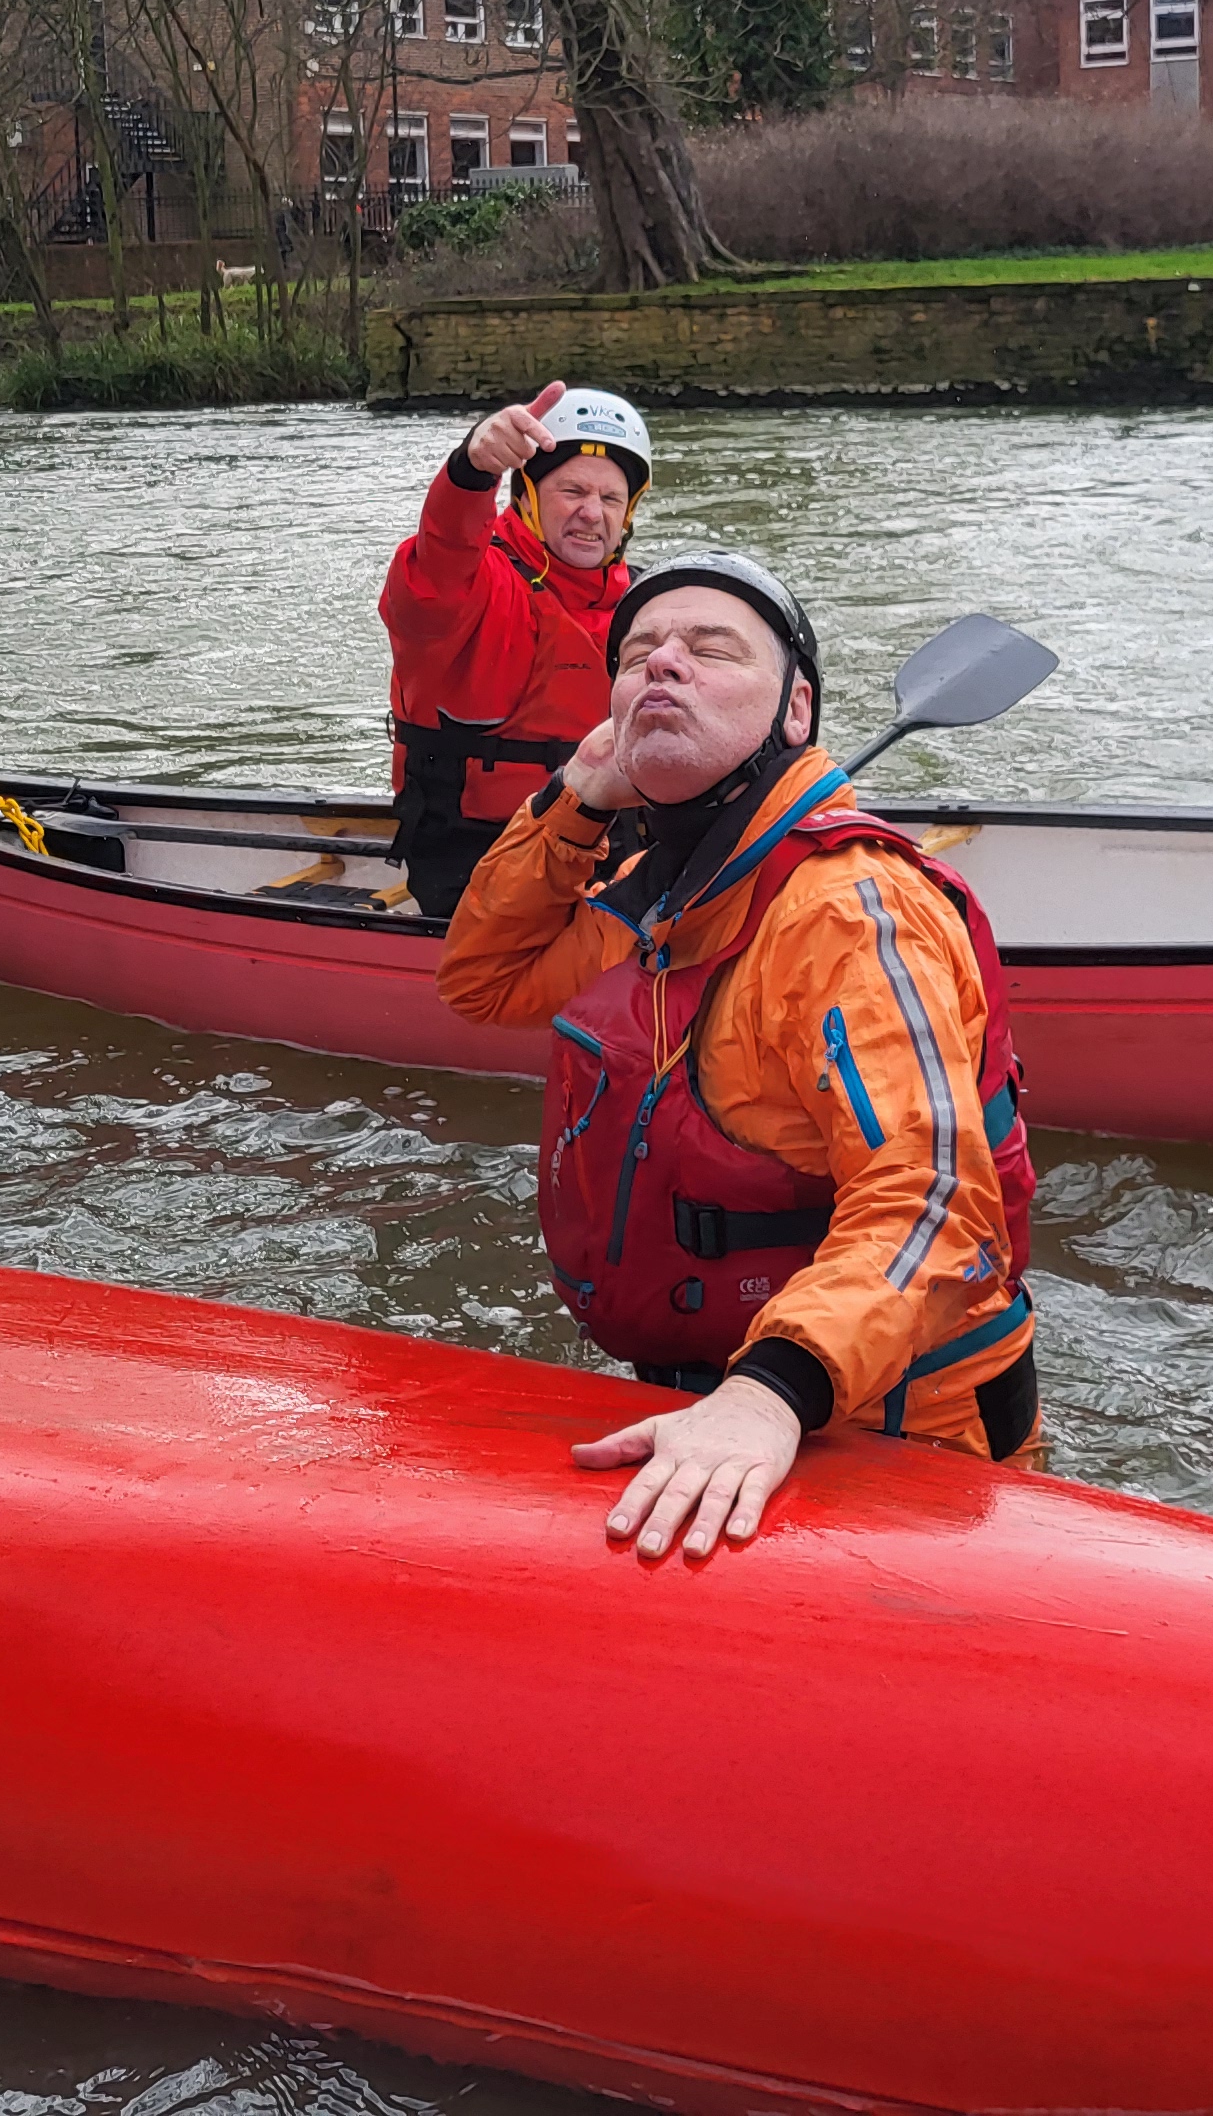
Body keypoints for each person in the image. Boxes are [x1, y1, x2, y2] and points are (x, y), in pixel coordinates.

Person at [437, 550, 1037, 1564]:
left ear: (795, 711)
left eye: (712, 651)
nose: (662, 665)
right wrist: (579, 793)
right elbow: (481, 981)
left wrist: (771, 1394)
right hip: (711, 1388)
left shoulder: (852, 910)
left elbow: (932, 1201)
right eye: (637, 656)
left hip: (882, 1421)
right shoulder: (657, 892)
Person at [377, 381, 650, 921]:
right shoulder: (471, 583)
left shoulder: (647, 603)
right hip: (477, 852)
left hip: (613, 842)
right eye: (572, 491)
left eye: (610, 497)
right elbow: (443, 551)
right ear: (525, 496)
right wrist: (469, 472)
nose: (592, 513)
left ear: (628, 512)